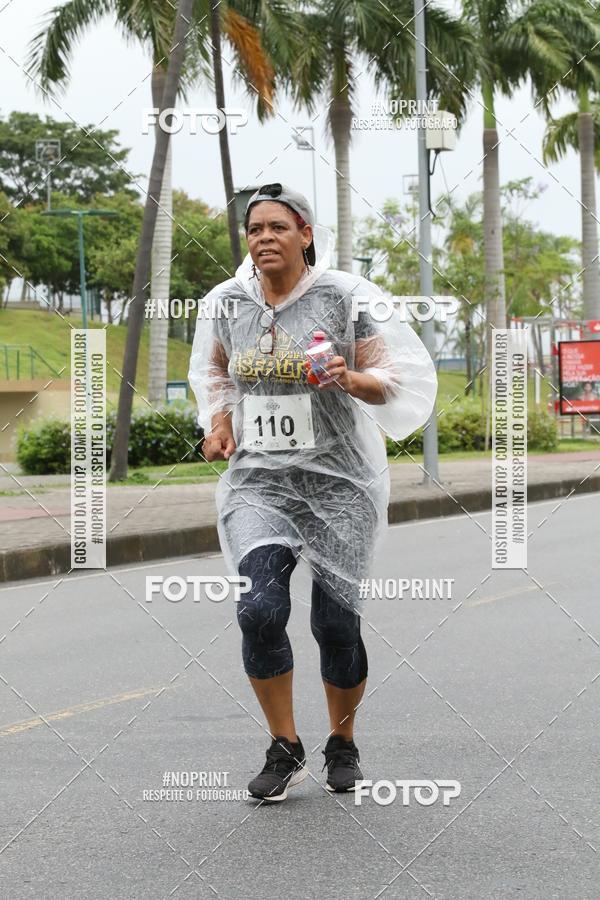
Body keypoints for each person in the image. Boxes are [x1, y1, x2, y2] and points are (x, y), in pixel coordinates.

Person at [189, 182, 437, 802]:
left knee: (336, 625)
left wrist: (349, 376)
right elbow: (214, 373)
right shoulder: (226, 303)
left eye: (278, 227)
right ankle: (283, 745)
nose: (264, 238)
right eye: (254, 229)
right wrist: (219, 425)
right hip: (260, 482)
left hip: (340, 485)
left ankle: (342, 741)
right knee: (259, 610)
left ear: (305, 234)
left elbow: (393, 381)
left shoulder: (346, 298)